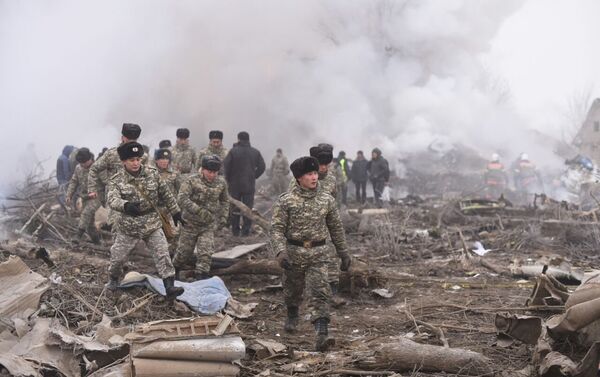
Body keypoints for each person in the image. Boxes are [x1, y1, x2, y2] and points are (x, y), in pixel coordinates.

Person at [271, 156, 351, 352]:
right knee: (293, 290)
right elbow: (276, 229)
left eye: (315, 173)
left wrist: (344, 253)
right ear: (299, 178)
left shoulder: (326, 200)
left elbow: (336, 229)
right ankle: (292, 313)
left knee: (321, 292)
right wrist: (281, 252)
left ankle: (322, 333)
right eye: (309, 174)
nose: (314, 177)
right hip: (294, 254)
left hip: (319, 254)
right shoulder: (286, 201)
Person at [105, 141, 185, 299]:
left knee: (162, 253)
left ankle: (170, 287)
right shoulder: (116, 180)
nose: (135, 163)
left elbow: (166, 194)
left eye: (137, 159)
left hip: (151, 223)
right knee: (117, 258)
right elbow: (112, 199)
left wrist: (175, 212)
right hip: (128, 226)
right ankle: (113, 279)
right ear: (123, 162)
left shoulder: (152, 173)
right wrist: (125, 205)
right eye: (131, 160)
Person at [173, 156, 229, 281]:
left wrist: (224, 217)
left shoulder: (221, 183)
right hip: (190, 224)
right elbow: (181, 198)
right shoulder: (191, 181)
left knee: (205, 253)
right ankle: (173, 271)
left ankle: (201, 279)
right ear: (202, 169)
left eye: (215, 172)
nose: (212, 175)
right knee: (184, 253)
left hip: (207, 226)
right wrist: (199, 210)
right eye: (210, 172)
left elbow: (225, 201)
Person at [223, 132, 265, 236]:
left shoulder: (233, 151)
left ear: (238, 139)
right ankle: (246, 231)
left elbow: (226, 167)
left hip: (234, 185)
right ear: (248, 140)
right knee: (247, 208)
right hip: (249, 185)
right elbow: (262, 167)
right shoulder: (255, 152)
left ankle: (235, 231)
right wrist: (254, 176)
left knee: (234, 207)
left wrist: (228, 180)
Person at [65, 148, 101, 244]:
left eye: (84, 162)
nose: (82, 164)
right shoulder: (78, 168)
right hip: (85, 196)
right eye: (81, 162)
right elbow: (74, 182)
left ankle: (78, 235)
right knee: (89, 225)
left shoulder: (98, 168)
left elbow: (107, 183)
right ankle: (98, 243)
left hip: (98, 196)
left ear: (90, 159)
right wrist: (69, 195)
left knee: (86, 212)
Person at [154, 148, 182, 253]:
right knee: (158, 236)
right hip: (156, 210)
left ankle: (173, 255)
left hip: (171, 210)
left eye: (166, 159)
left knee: (174, 234)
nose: (164, 161)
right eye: (161, 159)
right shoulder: (150, 174)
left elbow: (181, 191)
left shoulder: (175, 174)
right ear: (156, 160)